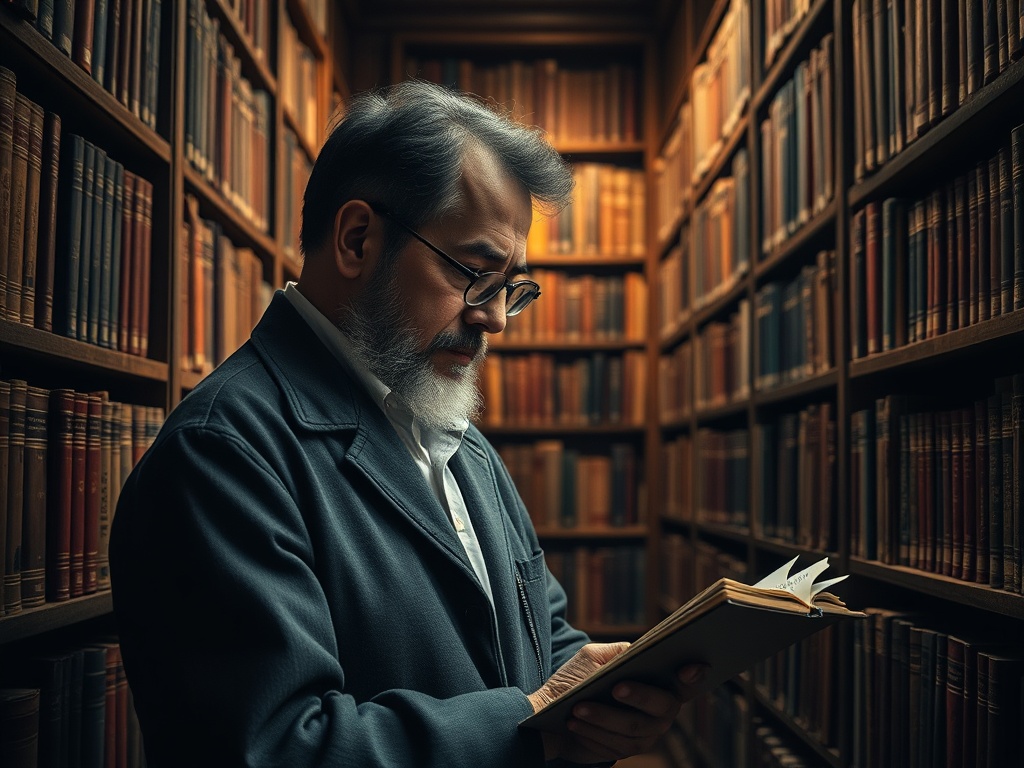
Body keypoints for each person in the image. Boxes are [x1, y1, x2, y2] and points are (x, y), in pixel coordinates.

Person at [110, 80, 705, 767]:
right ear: (358, 240)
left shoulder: (457, 439)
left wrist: (609, 693)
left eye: (513, 288)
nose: (496, 319)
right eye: (474, 273)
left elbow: (537, 637)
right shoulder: (224, 453)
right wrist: (531, 719)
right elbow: (273, 749)